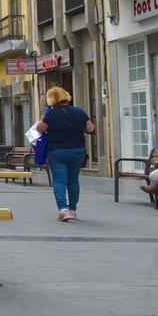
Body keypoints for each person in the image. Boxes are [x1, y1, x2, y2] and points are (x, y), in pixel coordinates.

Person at [36, 86, 95, 222]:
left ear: (52, 99)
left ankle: (63, 210)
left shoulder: (51, 114)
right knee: (73, 180)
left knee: (59, 181)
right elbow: (91, 128)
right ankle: (73, 210)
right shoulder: (79, 111)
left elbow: (40, 128)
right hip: (77, 150)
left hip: (57, 151)